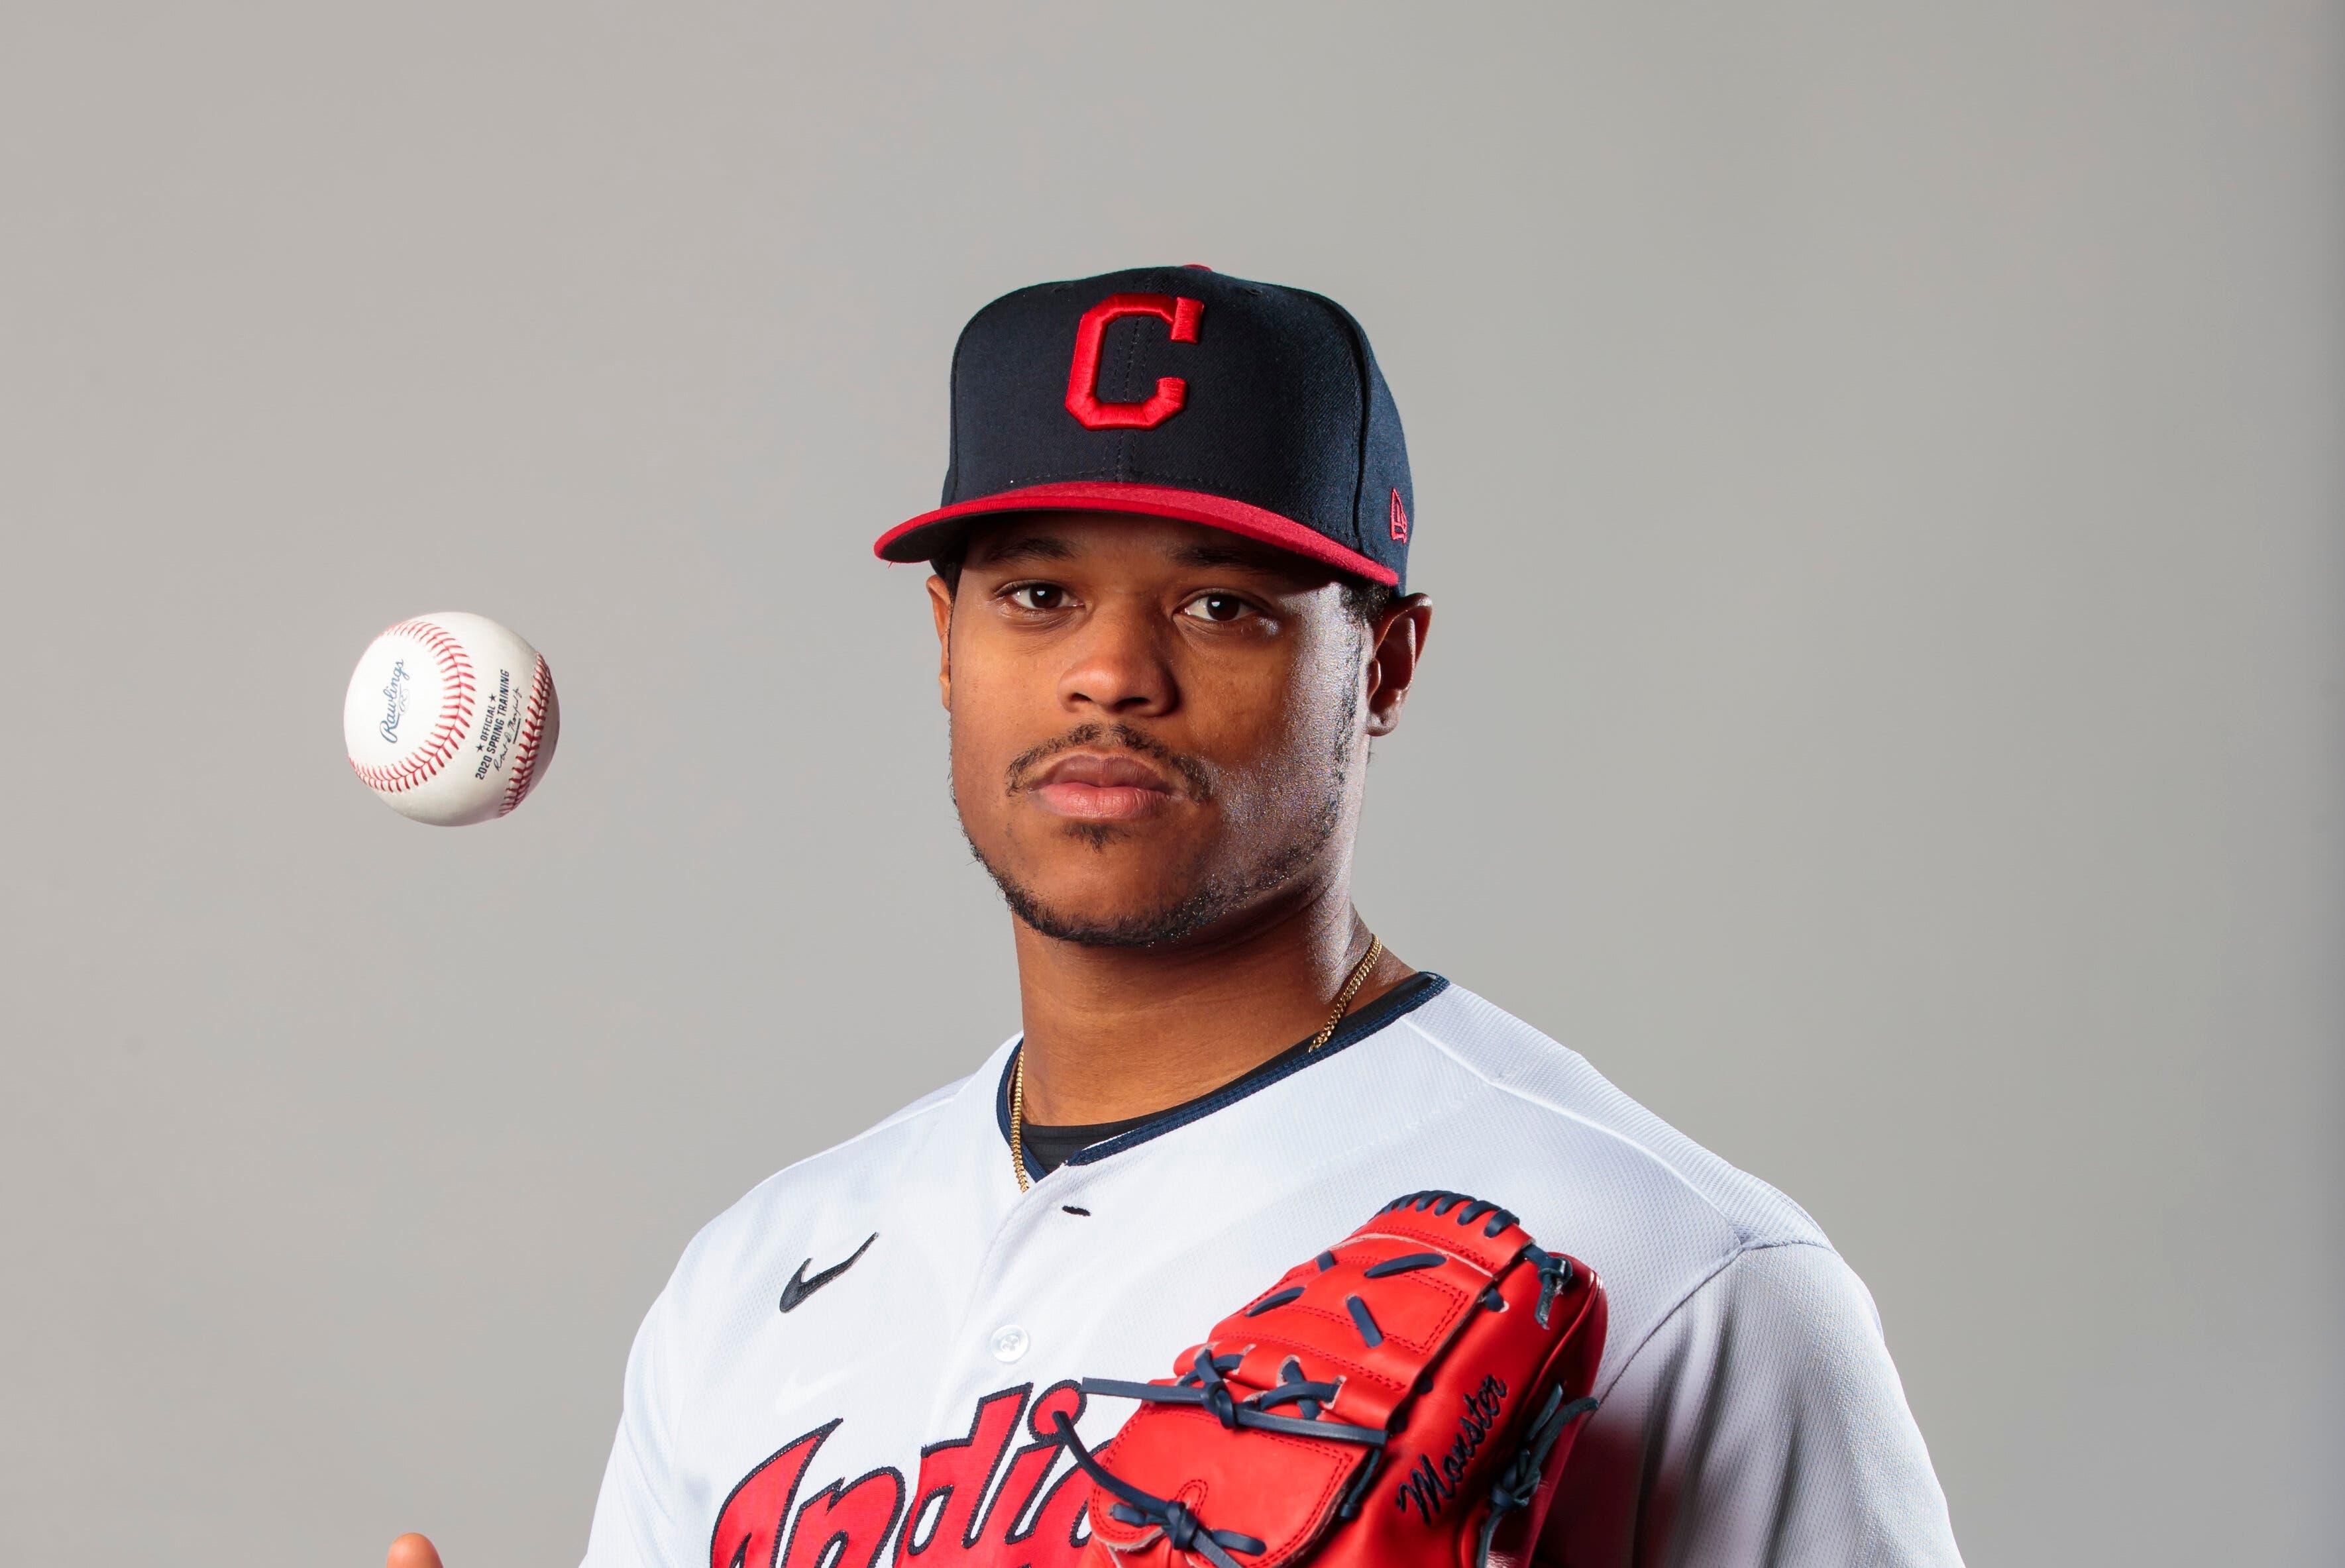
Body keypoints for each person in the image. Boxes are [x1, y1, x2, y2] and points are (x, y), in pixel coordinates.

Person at [389, 265, 1963, 1568]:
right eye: (1037, 593)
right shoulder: (746, 1284)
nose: (1113, 673)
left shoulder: (1676, 1271)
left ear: (1385, 666)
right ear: (945, 638)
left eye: (1222, 602)